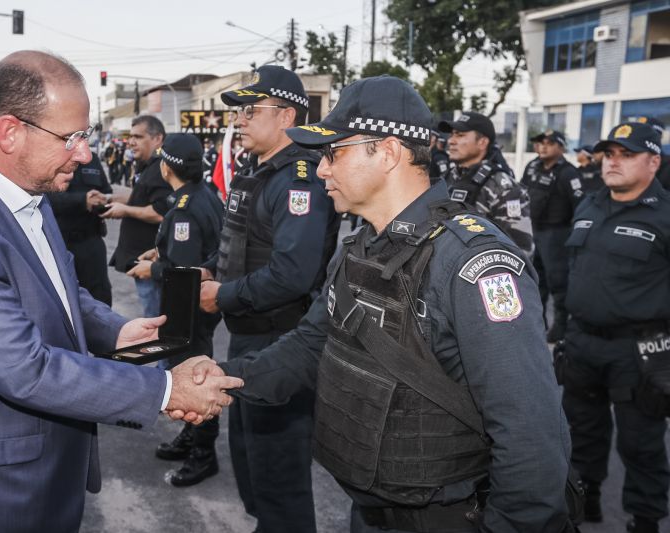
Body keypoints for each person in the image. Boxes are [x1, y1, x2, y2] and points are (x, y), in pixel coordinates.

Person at [0, 50, 242, 533]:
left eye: (85, 136)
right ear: (10, 131)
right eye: (70, 138)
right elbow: (26, 369)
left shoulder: (28, 192)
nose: (85, 153)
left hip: (40, 474)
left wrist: (119, 332)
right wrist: (166, 389)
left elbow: (64, 293)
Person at [191, 75, 572, 533]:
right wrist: (227, 378)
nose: (321, 170)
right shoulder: (361, 248)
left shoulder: (474, 265)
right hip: (373, 511)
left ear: (387, 152)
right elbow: (313, 345)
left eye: (334, 153)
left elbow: (530, 433)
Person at [198, 64, 340, 533]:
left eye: (251, 110)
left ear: (287, 115)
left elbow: (293, 274)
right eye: (238, 111)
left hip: (282, 340)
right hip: (249, 335)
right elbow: (241, 240)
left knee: (278, 474)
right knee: (249, 458)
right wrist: (212, 270)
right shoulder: (257, 170)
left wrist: (224, 295)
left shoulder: (299, 177)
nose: (239, 120)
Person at [561, 122, 670, 533]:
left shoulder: (666, 215)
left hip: (640, 350)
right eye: (610, 153)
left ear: (653, 162)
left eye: (626, 154)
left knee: (640, 442)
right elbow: (571, 272)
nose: (614, 161)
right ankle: (584, 500)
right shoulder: (588, 205)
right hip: (583, 342)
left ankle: (644, 519)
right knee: (580, 430)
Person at [130, 133, 224, 487]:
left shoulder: (184, 207)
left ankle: (203, 454)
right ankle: (191, 437)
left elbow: (184, 273)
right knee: (196, 367)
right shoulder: (205, 195)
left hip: (189, 307)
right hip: (201, 305)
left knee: (196, 375)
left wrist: (151, 269)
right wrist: (160, 253)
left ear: (166, 167)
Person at [437, 111, 534, 255]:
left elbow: (521, 250)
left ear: (482, 142)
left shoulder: (503, 188)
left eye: (460, 135)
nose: (451, 141)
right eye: (452, 135)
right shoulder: (447, 178)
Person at [104, 115, 173, 318]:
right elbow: (139, 198)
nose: (131, 142)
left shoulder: (162, 169)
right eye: (130, 136)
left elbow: (161, 212)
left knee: (157, 321)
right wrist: (109, 197)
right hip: (142, 260)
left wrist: (124, 210)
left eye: (138, 137)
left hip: (151, 260)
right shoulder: (149, 167)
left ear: (157, 138)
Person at [521, 129, 581, 342]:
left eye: (549, 142)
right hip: (533, 231)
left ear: (561, 147)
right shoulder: (532, 167)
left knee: (558, 283)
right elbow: (521, 193)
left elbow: (580, 206)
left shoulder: (568, 173)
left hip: (557, 234)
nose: (542, 146)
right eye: (539, 142)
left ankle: (561, 325)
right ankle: (538, 324)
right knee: (534, 281)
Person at [46, 151, 114, 305]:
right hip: (61, 244)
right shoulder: (50, 156)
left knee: (100, 296)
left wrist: (103, 200)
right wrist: (83, 200)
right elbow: (46, 198)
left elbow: (106, 190)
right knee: (64, 299)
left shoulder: (92, 158)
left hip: (92, 241)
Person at [629, 116, 670, 189]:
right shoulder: (621, 161)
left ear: (658, 138)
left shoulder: (667, 166)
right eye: (635, 135)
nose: (637, 139)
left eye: (646, 135)